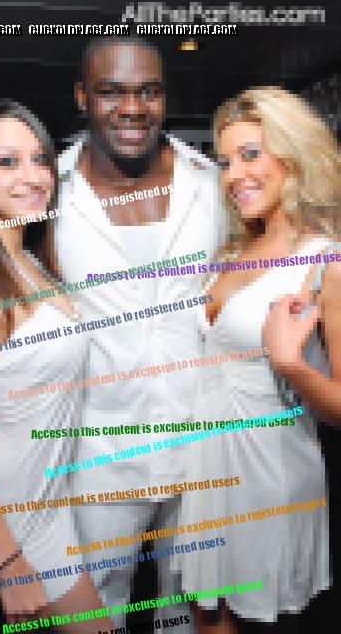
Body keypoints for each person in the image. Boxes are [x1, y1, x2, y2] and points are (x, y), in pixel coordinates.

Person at [51, 36, 227, 630]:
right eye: (112, 92)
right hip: (98, 450)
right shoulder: (48, 191)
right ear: (82, 97)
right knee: (98, 605)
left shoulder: (210, 183)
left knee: (192, 604)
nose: (133, 108)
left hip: (203, 441)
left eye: (149, 91)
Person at [0, 99, 115, 632]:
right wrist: (8, 561)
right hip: (17, 508)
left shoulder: (28, 258)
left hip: (55, 491)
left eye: (40, 160)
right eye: (8, 162)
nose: (33, 177)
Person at [172, 86, 341, 633]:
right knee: (207, 614)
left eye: (250, 155)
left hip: (269, 473)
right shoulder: (231, 252)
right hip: (207, 466)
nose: (234, 175)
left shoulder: (326, 262)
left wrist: (291, 365)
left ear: (292, 155)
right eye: (226, 162)